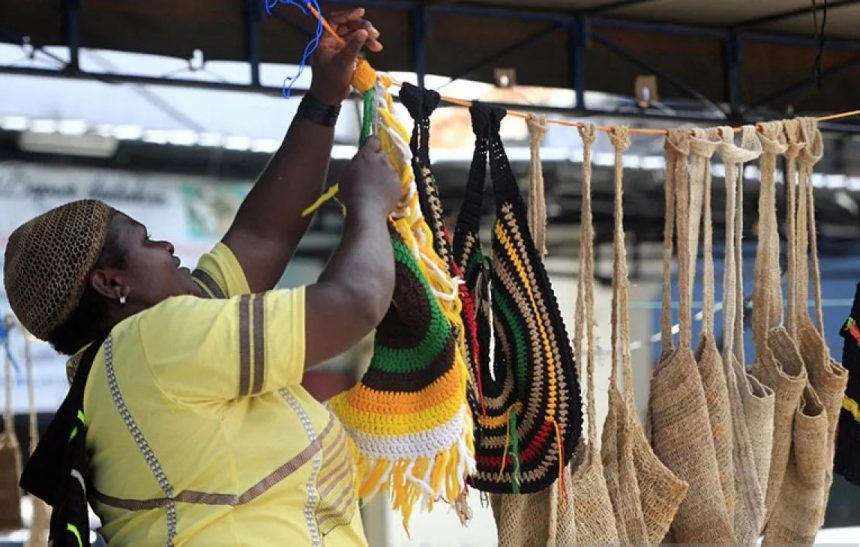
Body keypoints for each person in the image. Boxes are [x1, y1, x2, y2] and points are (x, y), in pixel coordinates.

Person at [4, 8, 397, 546]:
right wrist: (369, 206)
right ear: (111, 284)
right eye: (145, 241)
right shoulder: (156, 344)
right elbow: (356, 301)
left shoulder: (133, 358)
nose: (168, 246)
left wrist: (325, 99)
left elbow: (263, 236)